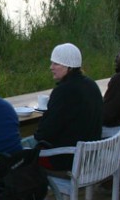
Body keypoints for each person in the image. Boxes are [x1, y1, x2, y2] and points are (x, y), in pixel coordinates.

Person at [31, 43, 103, 171]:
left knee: (17, 147)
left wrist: (38, 133)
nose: (51, 67)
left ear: (69, 66)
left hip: (67, 159)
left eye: (56, 64)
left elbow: (45, 133)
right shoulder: (91, 85)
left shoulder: (63, 91)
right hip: (91, 156)